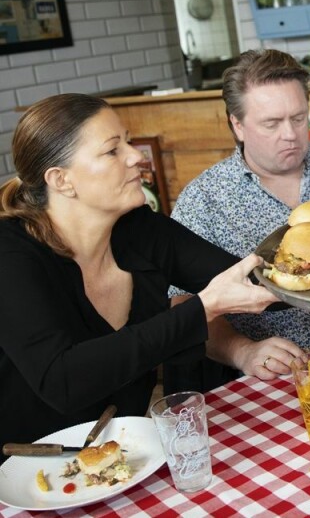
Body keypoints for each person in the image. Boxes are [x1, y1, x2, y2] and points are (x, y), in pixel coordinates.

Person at [0, 94, 278, 451]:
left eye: (128, 141)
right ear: (61, 180)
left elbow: (261, 285)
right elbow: (63, 382)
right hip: (24, 475)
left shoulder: (141, 230)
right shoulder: (11, 254)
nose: (136, 156)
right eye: (112, 150)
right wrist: (203, 308)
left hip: (125, 459)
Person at [169, 49, 310, 386]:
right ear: (237, 125)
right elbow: (183, 306)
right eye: (271, 123)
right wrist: (242, 351)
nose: (290, 134)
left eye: (299, 118)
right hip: (271, 375)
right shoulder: (204, 200)